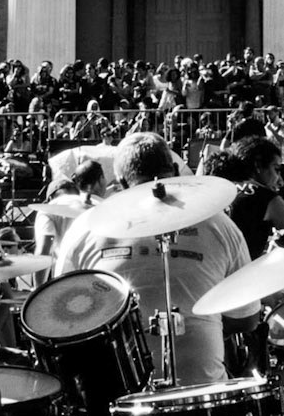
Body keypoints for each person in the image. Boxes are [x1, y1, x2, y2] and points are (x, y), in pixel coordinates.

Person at [54, 132, 259, 385]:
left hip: (118, 388)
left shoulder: (85, 227)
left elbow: (61, 315)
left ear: (121, 182)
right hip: (202, 387)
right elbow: (247, 317)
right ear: (175, 170)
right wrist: (201, 325)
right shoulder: (220, 224)